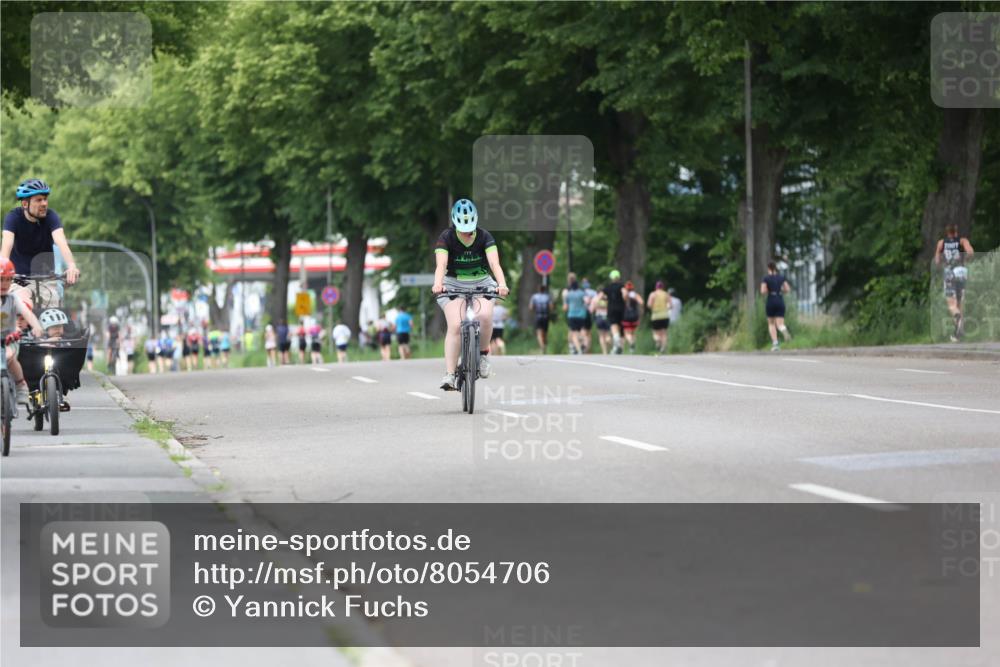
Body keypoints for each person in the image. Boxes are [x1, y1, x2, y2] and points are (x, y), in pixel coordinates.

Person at [431, 198, 510, 390]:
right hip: (452, 283)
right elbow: (441, 264)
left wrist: (502, 284)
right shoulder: (446, 237)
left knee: (484, 315)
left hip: (482, 282)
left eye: (470, 227)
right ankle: (450, 374)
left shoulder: (485, 237)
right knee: (456, 325)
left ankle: (483, 355)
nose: (467, 232)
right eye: (462, 228)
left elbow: (494, 264)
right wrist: (437, 283)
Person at [1, 179, 81, 309]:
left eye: (45, 199)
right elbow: (7, 245)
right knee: (24, 305)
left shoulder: (51, 216)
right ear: (25, 203)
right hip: (18, 281)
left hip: (46, 281)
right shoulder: (13, 217)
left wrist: (71, 266)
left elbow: (61, 241)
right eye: (38, 200)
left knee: (55, 318)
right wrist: (3, 270)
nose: (44, 203)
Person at [1, 258, 44, 405]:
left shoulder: (13, 299)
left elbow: (27, 313)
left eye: (8, 280)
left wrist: (36, 326)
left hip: (9, 339)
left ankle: (21, 385)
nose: (4, 284)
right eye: (1, 279)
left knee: (8, 356)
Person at [934, 223, 975, 342]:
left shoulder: (941, 243)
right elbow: (971, 252)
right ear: (956, 231)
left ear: (947, 232)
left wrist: (943, 263)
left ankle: (956, 316)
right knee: (960, 302)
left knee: (952, 304)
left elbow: (937, 261)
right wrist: (964, 259)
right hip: (961, 271)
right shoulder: (962, 241)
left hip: (949, 272)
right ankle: (958, 334)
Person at [761, 261, 792, 351]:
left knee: (771, 323)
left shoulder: (766, 278)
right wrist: (780, 289)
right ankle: (784, 330)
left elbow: (763, 291)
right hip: (780, 299)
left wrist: (769, 290)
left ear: (768, 268)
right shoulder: (781, 277)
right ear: (775, 268)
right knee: (780, 324)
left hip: (771, 300)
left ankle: (775, 344)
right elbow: (787, 289)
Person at [562, 275, 588, 354]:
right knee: (582, 330)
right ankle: (583, 342)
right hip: (581, 315)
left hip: (572, 315)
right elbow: (587, 301)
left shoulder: (568, 294)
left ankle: (579, 349)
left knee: (574, 333)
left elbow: (565, 307)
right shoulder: (582, 293)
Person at [603, 270, 626, 354]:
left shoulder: (608, 287)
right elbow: (625, 294)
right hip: (621, 309)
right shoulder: (621, 286)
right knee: (621, 327)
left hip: (611, 309)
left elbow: (601, 296)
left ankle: (617, 343)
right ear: (619, 277)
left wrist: (605, 299)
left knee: (613, 326)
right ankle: (620, 348)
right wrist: (624, 299)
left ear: (611, 278)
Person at [647, 280, 671, 354]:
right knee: (664, 333)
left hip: (656, 315)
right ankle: (663, 347)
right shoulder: (666, 294)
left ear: (656, 287)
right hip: (665, 315)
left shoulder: (653, 294)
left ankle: (657, 340)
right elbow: (670, 305)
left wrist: (653, 308)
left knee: (655, 332)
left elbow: (649, 305)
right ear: (662, 287)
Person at [621, 280, 643, 353]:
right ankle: (632, 348)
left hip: (626, 315)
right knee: (632, 332)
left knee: (626, 333)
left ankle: (631, 343)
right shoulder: (635, 294)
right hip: (634, 315)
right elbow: (641, 302)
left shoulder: (624, 294)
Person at [530, 284, 553, 354]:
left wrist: (534, 310)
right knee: (545, 333)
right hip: (546, 316)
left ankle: (542, 346)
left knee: (539, 333)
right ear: (544, 290)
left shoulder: (534, 297)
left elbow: (531, 307)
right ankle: (544, 345)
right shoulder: (547, 297)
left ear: (539, 290)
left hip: (538, 316)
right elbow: (551, 307)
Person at [590, 286, 612, 354]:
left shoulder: (595, 298)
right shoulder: (608, 298)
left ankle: (604, 352)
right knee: (608, 334)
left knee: (601, 335)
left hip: (599, 316)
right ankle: (609, 342)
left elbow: (591, 310)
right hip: (607, 316)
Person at [580, 277, 597, 353]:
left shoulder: (580, 292)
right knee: (588, 331)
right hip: (590, 313)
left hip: (581, 313)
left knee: (583, 330)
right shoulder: (594, 292)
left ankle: (584, 344)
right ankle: (587, 348)